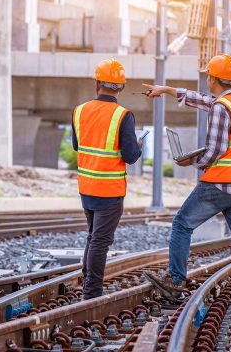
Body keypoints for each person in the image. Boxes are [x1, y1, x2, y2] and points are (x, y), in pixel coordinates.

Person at [142, 54, 231, 315]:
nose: (206, 80)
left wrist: (193, 162)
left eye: (208, 76)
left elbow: (216, 149)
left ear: (212, 79)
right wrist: (166, 90)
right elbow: (202, 100)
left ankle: (174, 281)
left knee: (182, 224)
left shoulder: (221, 108)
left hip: (218, 185)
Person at [72, 58, 143, 300]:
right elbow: (131, 156)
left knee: (93, 237)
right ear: (121, 87)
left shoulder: (79, 111)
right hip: (109, 190)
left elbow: (76, 145)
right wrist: (138, 144)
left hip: (86, 187)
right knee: (100, 241)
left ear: (97, 83)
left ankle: (87, 283)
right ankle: (91, 294)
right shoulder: (123, 115)